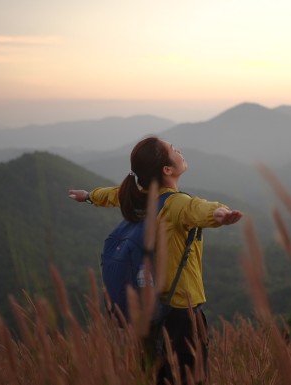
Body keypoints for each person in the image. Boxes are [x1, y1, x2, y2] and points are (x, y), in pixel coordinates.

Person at [68, 136, 242, 384]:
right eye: (173, 149)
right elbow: (197, 208)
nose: (179, 149)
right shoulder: (174, 203)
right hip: (182, 311)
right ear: (167, 170)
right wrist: (220, 213)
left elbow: (115, 194)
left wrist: (88, 196)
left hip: (149, 311)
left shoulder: (140, 195)